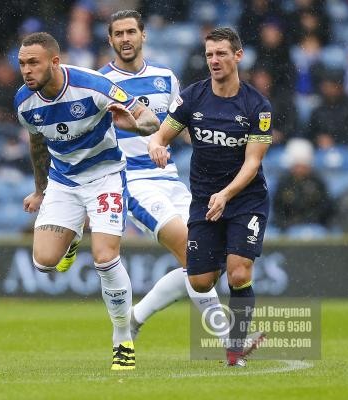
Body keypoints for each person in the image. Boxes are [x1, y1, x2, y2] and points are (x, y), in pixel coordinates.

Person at [15, 31, 160, 370]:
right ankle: (71, 237)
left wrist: (135, 126)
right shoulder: (24, 101)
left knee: (105, 259)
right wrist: (40, 190)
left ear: (54, 61)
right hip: (63, 182)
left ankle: (122, 338)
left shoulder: (94, 85)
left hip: (105, 177)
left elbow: (150, 120)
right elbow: (37, 145)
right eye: (22, 63)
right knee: (44, 262)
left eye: (33, 63)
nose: (26, 70)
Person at [86, 9, 226, 342]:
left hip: (172, 181)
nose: (125, 39)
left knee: (207, 261)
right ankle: (230, 339)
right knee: (194, 255)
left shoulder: (165, 77)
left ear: (143, 35)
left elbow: (181, 126)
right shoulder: (100, 84)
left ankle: (136, 317)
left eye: (130, 32)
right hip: (132, 182)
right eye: (118, 34)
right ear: (110, 40)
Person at [148, 28, 272, 367]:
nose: (214, 61)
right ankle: (214, 266)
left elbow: (253, 162)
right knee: (201, 281)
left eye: (221, 54)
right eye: (209, 55)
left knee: (239, 273)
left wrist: (227, 193)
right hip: (204, 199)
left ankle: (235, 349)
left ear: (238, 56)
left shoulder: (256, 106)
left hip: (245, 199)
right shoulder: (192, 98)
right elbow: (161, 134)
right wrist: (157, 145)